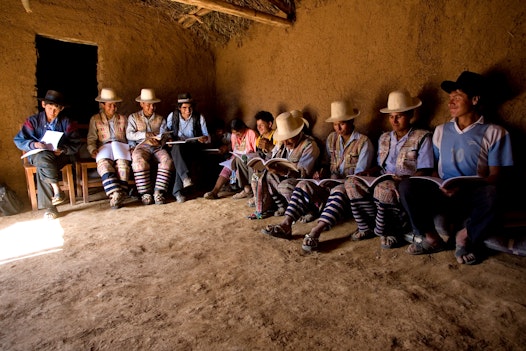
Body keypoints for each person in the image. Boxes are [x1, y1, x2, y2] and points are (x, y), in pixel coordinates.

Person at [399, 71, 514, 264]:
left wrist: (465, 185)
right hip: (443, 191)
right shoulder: (441, 131)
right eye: (450, 98)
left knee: (493, 194)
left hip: (473, 194)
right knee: (406, 186)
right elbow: (435, 168)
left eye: (457, 98)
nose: (450, 103)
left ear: (475, 99)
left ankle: (466, 236)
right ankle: (429, 237)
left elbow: (496, 175)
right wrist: (440, 184)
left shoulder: (495, 132)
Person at [260, 101, 374, 245]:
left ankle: (316, 231)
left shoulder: (364, 142)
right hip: (328, 184)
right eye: (335, 124)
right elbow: (326, 163)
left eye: (342, 123)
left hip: (347, 187)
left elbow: (359, 177)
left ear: (351, 121)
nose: (338, 128)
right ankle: (286, 224)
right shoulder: (332, 138)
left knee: (340, 189)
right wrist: (321, 172)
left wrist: (337, 180)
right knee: (303, 185)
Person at [340, 90, 434, 251]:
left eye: (399, 116)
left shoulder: (422, 137)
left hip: (405, 184)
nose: (394, 121)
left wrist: (405, 180)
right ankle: (366, 227)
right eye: (391, 116)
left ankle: (389, 232)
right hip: (383, 178)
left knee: (384, 189)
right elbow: (380, 167)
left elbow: (425, 169)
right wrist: (368, 172)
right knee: (351, 183)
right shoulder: (384, 138)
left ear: (410, 114)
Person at [14, 89, 81, 219]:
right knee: (43, 157)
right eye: (50, 108)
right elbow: (18, 140)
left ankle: (51, 207)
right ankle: (56, 189)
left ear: (61, 109)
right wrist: (34, 145)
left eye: (56, 109)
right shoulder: (33, 121)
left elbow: (76, 144)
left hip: (59, 156)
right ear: (43, 105)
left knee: (43, 164)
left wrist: (62, 149)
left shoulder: (67, 123)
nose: (52, 112)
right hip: (37, 155)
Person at [249, 110, 320, 219]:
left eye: (289, 138)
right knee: (267, 176)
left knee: (284, 186)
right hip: (285, 177)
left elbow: (303, 174)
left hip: (303, 182)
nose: (286, 143)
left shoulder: (309, 145)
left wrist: (284, 171)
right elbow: (275, 157)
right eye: (284, 140)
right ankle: (282, 206)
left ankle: (308, 209)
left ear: (297, 132)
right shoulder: (283, 143)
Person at [126, 88, 174, 205]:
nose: (151, 108)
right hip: (141, 147)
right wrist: (145, 135)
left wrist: (161, 141)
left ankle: (158, 192)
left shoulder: (160, 119)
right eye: (148, 105)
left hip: (157, 147)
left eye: (153, 105)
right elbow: (129, 134)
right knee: (138, 162)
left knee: (167, 160)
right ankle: (145, 194)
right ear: (141, 104)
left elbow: (164, 135)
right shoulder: (133, 117)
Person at [86, 88, 131, 209]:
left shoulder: (123, 119)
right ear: (102, 105)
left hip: (120, 146)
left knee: (123, 165)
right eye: (110, 105)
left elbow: (129, 136)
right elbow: (91, 138)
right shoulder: (95, 119)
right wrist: (93, 149)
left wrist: (131, 147)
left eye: (115, 105)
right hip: (104, 147)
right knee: (104, 165)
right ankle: (115, 193)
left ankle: (119, 195)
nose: (113, 107)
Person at [166, 93, 211, 203]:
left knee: (180, 159)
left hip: (193, 147)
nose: (188, 111)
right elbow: (166, 133)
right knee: (177, 149)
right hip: (177, 147)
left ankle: (178, 190)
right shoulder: (172, 116)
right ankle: (184, 180)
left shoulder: (199, 117)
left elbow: (208, 136)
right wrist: (169, 140)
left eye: (190, 108)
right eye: (184, 108)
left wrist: (204, 139)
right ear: (179, 108)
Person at [203, 118, 257, 199]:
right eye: (235, 133)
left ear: (243, 128)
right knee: (227, 168)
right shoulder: (234, 135)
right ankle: (214, 191)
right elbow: (234, 149)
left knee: (238, 168)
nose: (237, 136)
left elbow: (256, 151)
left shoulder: (251, 133)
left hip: (248, 158)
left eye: (239, 133)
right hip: (236, 157)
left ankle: (248, 190)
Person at [242, 110, 276, 202]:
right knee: (253, 172)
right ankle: (256, 196)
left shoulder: (276, 136)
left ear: (269, 124)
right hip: (262, 166)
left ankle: (264, 198)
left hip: (272, 167)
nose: (259, 128)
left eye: (261, 125)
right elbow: (259, 154)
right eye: (257, 125)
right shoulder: (259, 139)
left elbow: (277, 154)